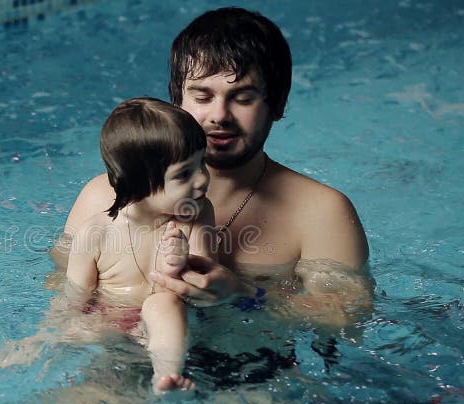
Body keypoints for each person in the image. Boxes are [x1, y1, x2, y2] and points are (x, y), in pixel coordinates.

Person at [59, 7, 372, 325]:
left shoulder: (321, 212)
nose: (219, 115)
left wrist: (243, 294)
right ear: (176, 100)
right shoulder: (104, 197)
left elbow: (348, 318)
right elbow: (61, 290)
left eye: (242, 98)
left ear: (276, 103)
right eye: (203, 96)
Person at [0, 97, 216, 394]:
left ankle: (167, 375)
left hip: (161, 324)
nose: (202, 179)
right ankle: (39, 352)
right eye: (185, 174)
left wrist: (181, 263)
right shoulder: (95, 232)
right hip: (106, 321)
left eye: (202, 163)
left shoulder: (196, 215)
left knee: (163, 304)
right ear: (138, 184)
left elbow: (202, 284)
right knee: (71, 330)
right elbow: (74, 295)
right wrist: (44, 335)